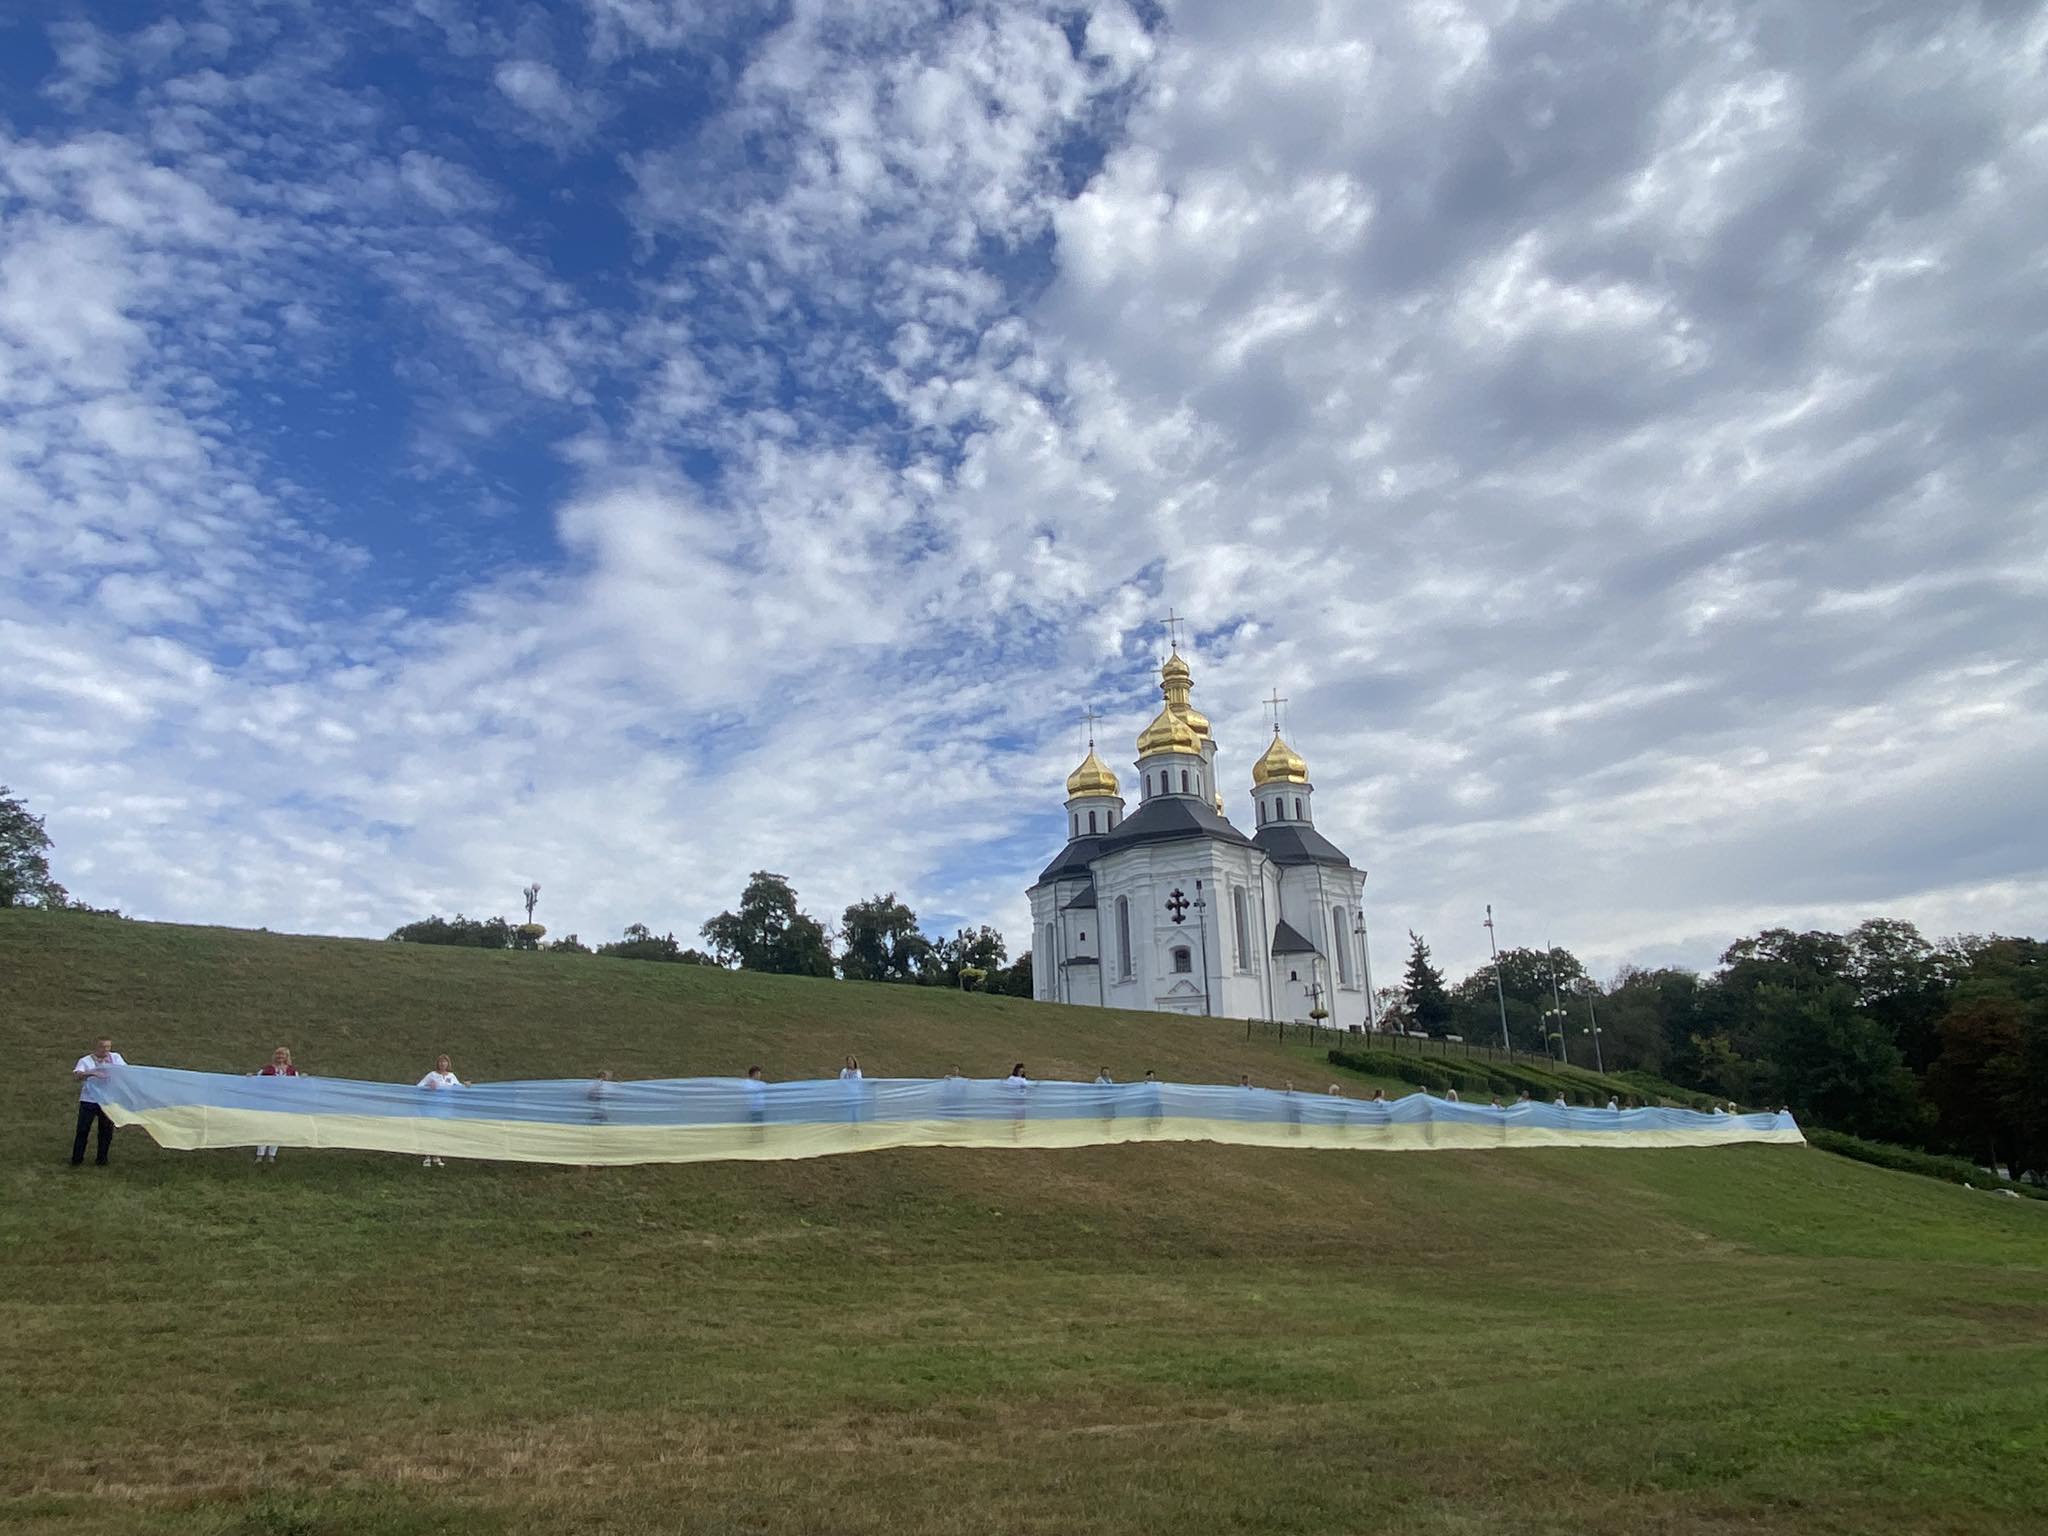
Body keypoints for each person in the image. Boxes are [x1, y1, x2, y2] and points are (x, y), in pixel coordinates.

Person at [70, 1037, 126, 1167]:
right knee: (83, 1130)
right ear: (96, 1047)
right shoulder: (85, 1061)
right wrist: (92, 1073)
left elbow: (125, 1072)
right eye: (103, 1047)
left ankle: (102, 1159)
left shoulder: (116, 1058)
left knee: (106, 1131)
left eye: (108, 1047)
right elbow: (77, 1076)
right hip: (88, 1101)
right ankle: (77, 1159)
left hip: (107, 1101)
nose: (106, 1050)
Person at [251, 1045, 299, 1162]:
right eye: (278, 1054)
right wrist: (249, 1077)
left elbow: (298, 1085)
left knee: (278, 1128)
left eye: (282, 1054)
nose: (280, 1057)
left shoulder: (292, 1071)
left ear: (287, 1056)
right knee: (264, 1126)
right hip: (267, 1102)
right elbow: (256, 1081)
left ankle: (272, 1154)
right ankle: (260, 1154)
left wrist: (304, 1079)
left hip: (283, 1103)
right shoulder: (267, 1070)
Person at [417, 1054, 462, 1167]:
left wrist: (467, 1085)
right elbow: (418, 1086)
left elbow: (459, 1087)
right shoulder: (432, 1075)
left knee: (440, 1131)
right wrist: (428, 1085)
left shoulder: (451, 1076)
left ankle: (437, 1156)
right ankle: (427, 1156)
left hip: (445, 1108)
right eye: (441, 1062)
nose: (443, 1064)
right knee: (430, 1130)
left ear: (448, 1064)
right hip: (432, 1107)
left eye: (445, 1062)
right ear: (438, 1063)